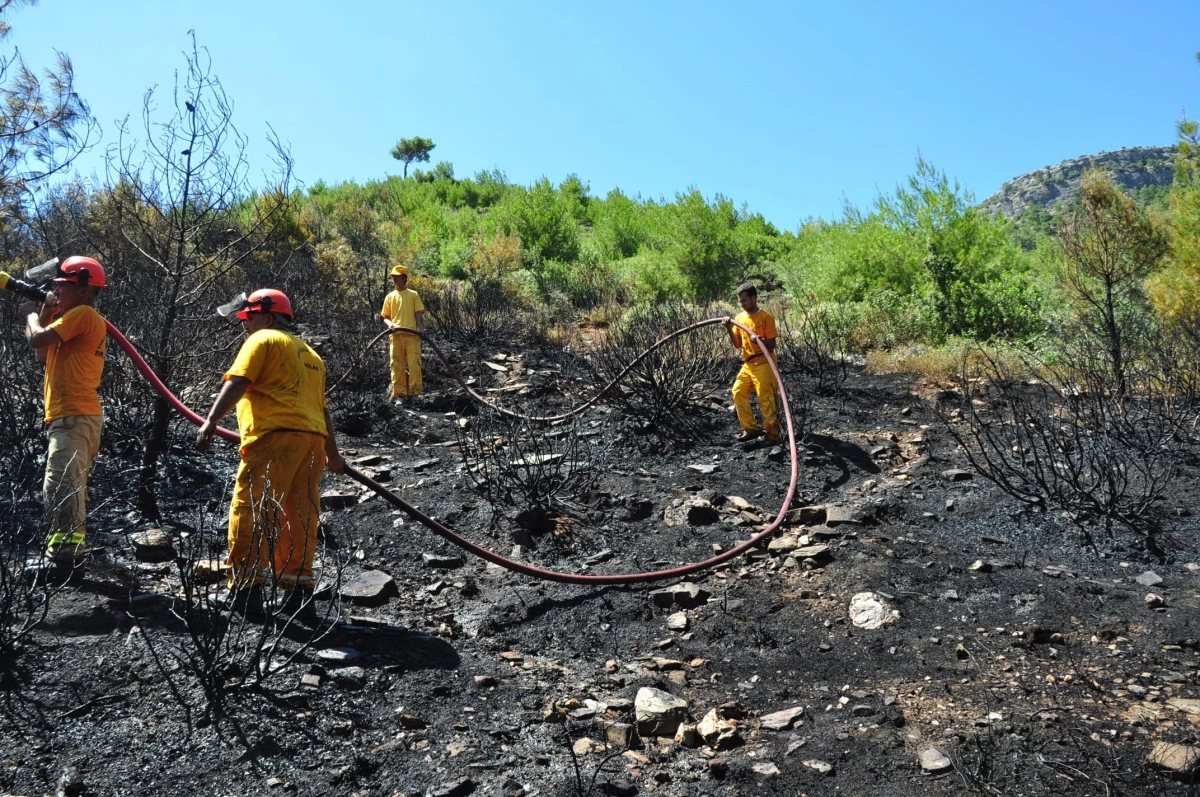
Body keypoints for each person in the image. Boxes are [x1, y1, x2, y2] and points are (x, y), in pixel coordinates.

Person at [196, 289, 345, 607]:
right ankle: (297, 592)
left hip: (274, 439)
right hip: (312, 444)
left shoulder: (262, 340)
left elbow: (238, 381)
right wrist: (333, 454)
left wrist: (210, 420)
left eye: (246, 317)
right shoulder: (311, 356)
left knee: (252, 509)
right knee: (299, 515)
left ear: (266, 316)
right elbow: (323, 410)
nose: (243, 324)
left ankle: (245, 591)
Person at [19, 256, 108, 574]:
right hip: (70, 417)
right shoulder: (71, 320)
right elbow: (43, 354)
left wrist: (30, 316)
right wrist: (45, 311)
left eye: (62, 286)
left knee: (60, 485)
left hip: (75, 416)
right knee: (65, 485)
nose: (55, 290)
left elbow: (37, 339)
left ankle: (64, 561)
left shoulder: (83, 314)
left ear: (83, 290)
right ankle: (66, 555)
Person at [723, 283, 780, 443]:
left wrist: (760, 340)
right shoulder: (740, 318)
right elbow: (737, 344)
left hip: (765, 362)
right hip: (748, 364)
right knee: (738, 391)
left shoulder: (766, 317)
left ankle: (773, 435)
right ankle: (751, 429)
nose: (742, 304)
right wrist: (728, 328)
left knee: (766, 398)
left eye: (745, 300)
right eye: (740, 301)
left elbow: (772, 344)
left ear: (755, 298)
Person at [380, 265, 426, 404]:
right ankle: (399, 395)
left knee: (414, 364)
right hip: (396, 336)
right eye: (393, 276)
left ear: (404, 278)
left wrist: (421, 330)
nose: (394, 278)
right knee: (397, 365)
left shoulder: (413, 295)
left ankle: (414, 394)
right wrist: (390, 325)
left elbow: (418, 313)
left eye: (397, 276)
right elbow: (385, 316)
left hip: (412, 336)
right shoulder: (390, 297)